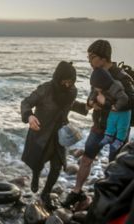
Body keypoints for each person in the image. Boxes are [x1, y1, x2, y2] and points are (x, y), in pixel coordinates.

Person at [63, 39, 134, 209]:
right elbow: (93, 95)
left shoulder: (122, 78)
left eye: (92, 57)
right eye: (88, 57)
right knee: (86, 158)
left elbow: (130, 103)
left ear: (103, 57)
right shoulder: (96, 73)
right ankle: (76, 192)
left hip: (117, 130)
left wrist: (106, 103)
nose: (89, 60)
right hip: (98, 127)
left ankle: (111, 201)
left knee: (114, 166)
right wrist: (91, 102)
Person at [21, 61, 87, 210]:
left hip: (60, 136)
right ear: (58, 77)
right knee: (38, 163)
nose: (68, 84)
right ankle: (36, 176)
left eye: (71, 81)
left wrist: (86, 107)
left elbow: (71, 104)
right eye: (66, 80)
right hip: (42, 134)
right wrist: (29, 117)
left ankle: (46, 193)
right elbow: (26, 102)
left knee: (57, 167)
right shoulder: (45, 89)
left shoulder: (71, 92)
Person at [89, 68, 131, 161]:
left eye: (96, 86)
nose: (95, 88)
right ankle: (108, 136)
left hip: (123, 114)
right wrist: (91, 101)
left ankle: (119, 141)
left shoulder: (116, 87)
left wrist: (115, 106)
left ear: (102, 84)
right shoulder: (100, 87)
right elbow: (94, 93)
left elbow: (124, 99)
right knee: (110, 123)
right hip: (113, 112)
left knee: (121, 128)